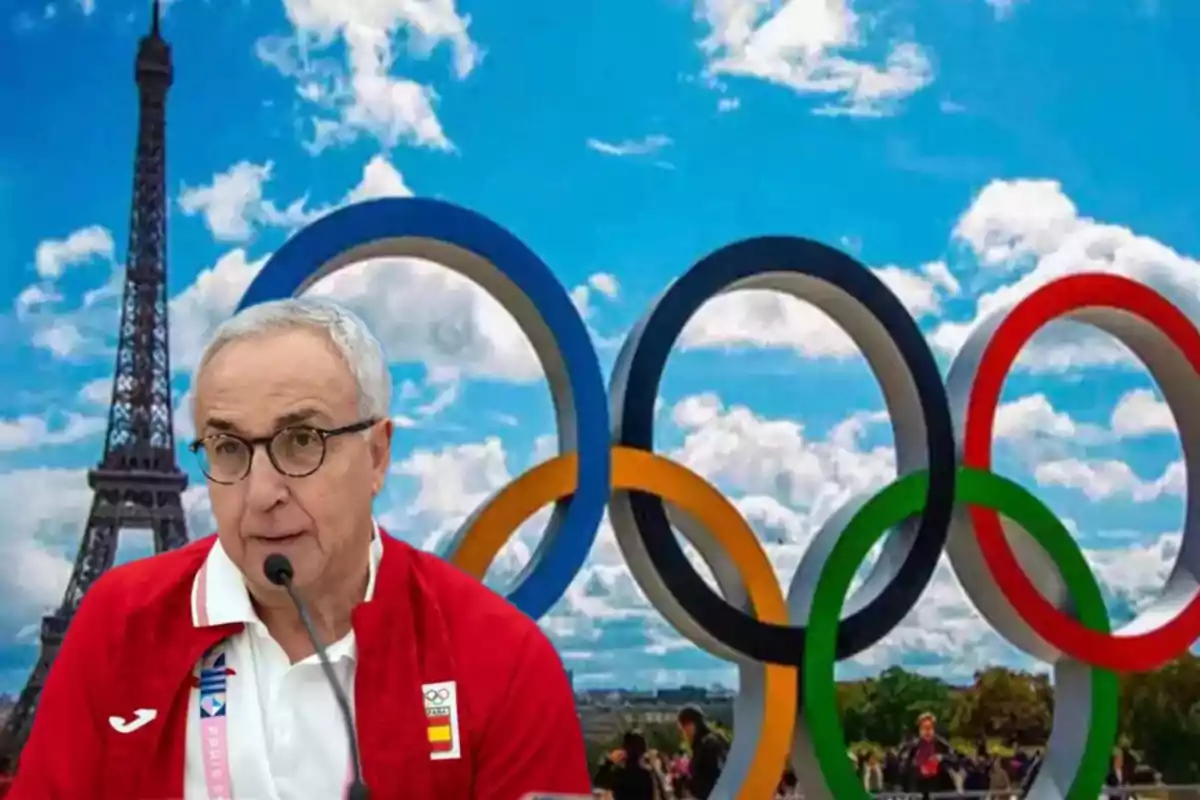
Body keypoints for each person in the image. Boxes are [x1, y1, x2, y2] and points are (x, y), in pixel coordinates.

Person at [7, 298, 591, 799]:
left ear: (377, 455)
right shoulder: (119, 624)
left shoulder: (504, 661)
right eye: (228, 447)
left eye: (301, 440)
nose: (262, 493)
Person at [593, 731, 667, 800]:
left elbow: (599, 782)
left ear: (625, 753)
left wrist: (609, 762)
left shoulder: (620, 776)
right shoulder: (648, 776)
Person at [898, 712, 956, 797]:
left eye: (929, 728)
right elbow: (902, 766)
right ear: (919, 730)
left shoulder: (942, 745)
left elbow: (955, 759)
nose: (927, 731)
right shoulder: (912, 746)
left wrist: (942, 758)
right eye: (924, 728)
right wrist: (915, 765)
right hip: (918, 788)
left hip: (939, 787)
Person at [676, 706, 729, 799]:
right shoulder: (716, 740)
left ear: (690, 725)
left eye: (683, 729)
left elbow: (707, 780)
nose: (684, 735)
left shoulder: (706, 745)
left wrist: (686, 781)